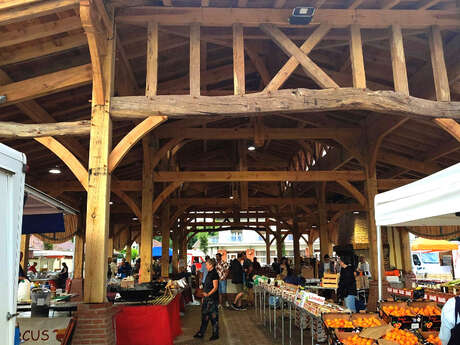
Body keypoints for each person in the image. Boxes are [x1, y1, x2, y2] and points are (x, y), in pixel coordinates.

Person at [194, 258, 219, 341]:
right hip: (207, 298)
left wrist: (207, 294)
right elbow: (207, 285)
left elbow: (215, 287)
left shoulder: (214, 273)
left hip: (212, 299)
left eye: (207, 265)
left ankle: (215, 334)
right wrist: (204, 295)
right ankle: (201, 332)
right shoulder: (209, 272)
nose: (206, 266)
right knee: (205, 316)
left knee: (213, 317)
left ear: (211, 265)